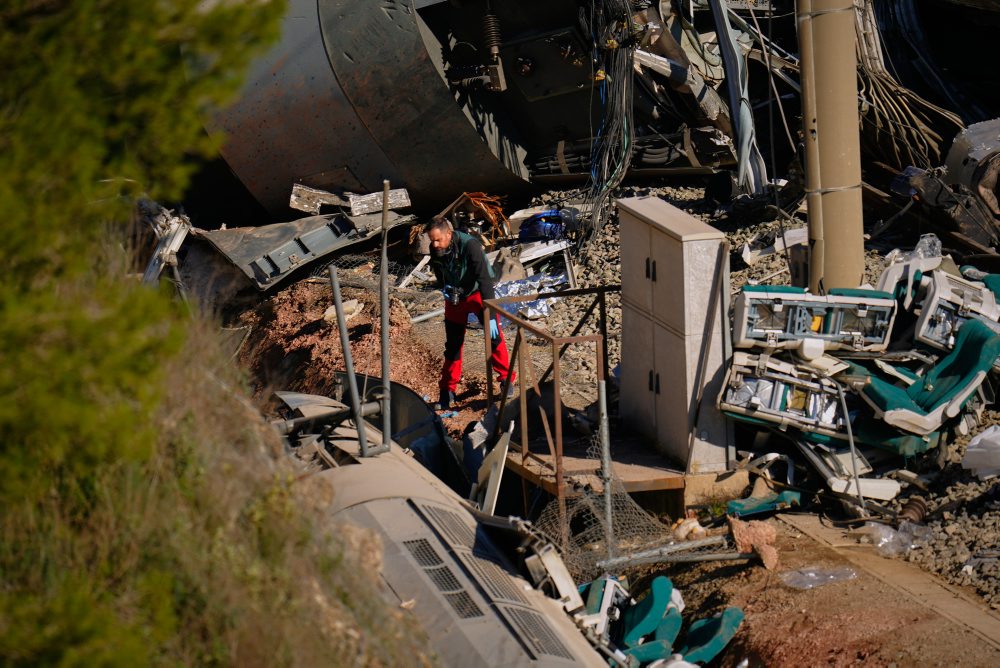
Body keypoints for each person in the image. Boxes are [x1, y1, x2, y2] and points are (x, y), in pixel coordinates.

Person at [425, 215, 514, 410]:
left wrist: (490, 313)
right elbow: (440, 274)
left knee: (494, 335)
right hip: (455, 298)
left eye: (438, 239)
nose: (435, 244)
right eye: (432, 240)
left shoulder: (470, 246)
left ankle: (506, 379)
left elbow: (485, 280)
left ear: (449, 234)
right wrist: (446, 289)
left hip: (477, 294)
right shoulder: (435, 249)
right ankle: (447, 390)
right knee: (453, 345)